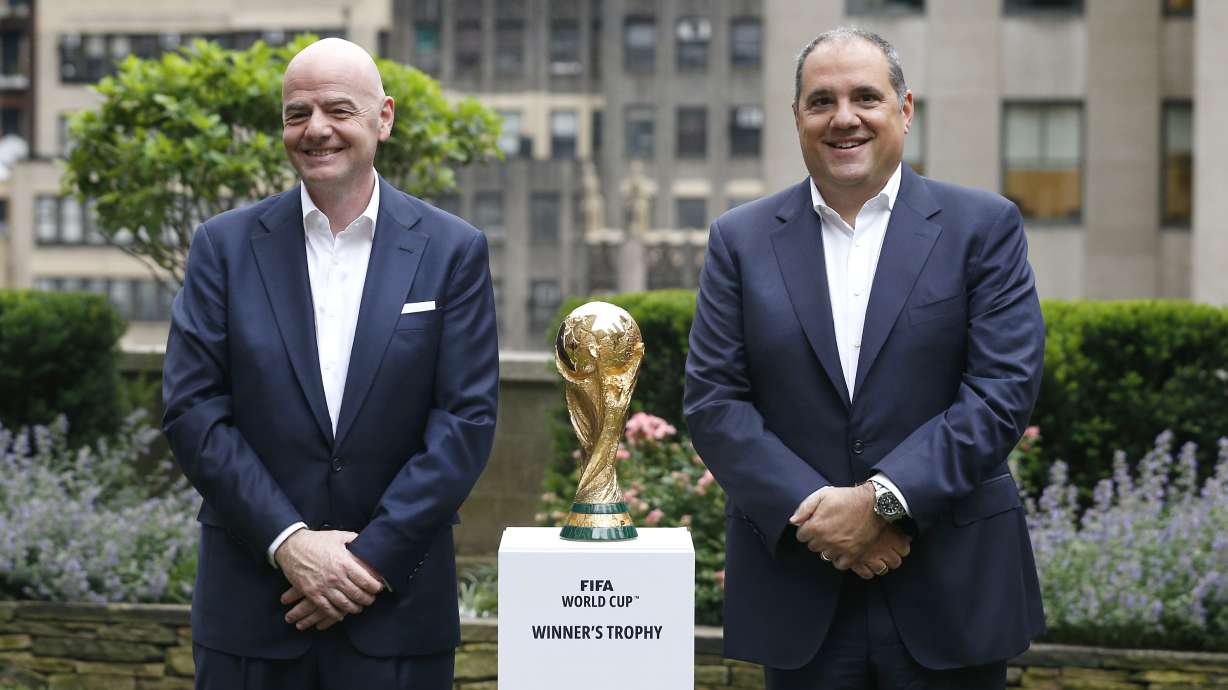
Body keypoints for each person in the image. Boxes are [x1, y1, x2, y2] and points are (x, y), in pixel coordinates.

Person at [683, 27, 1045, 689]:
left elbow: (1002, 391)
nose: (843, 118)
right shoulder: (740, 240)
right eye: (821, 101)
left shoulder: (984, 228)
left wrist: (881, 502)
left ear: (904, 111)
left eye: (865, 98)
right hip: (800, 589)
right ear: (797, 118)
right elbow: (714, 403)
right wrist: (826, 519)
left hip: (950, 588)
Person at [162, 38, 498, 690]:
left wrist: (367, 562)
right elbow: (193, 409)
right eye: (297, 113)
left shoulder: (452, 250)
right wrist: (290, 543)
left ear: (385, 118)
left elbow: (465, 421)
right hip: (252, 615)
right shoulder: (222, 248)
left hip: (397, 614)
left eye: (338, 109)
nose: (316, 129)